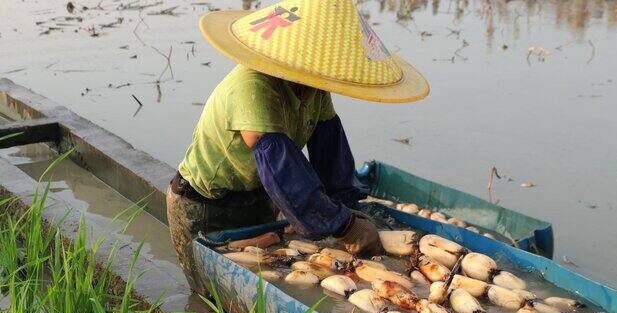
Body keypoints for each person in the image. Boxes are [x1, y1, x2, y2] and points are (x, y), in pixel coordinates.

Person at [167, 0, 429, 294]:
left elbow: (330, 151)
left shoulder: (314, 89)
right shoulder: (253, 87)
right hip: (207, 204)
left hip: (260, 197)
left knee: (265, 288)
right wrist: (344, 227)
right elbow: (281, 168)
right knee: (211, 296)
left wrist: (348, 206)